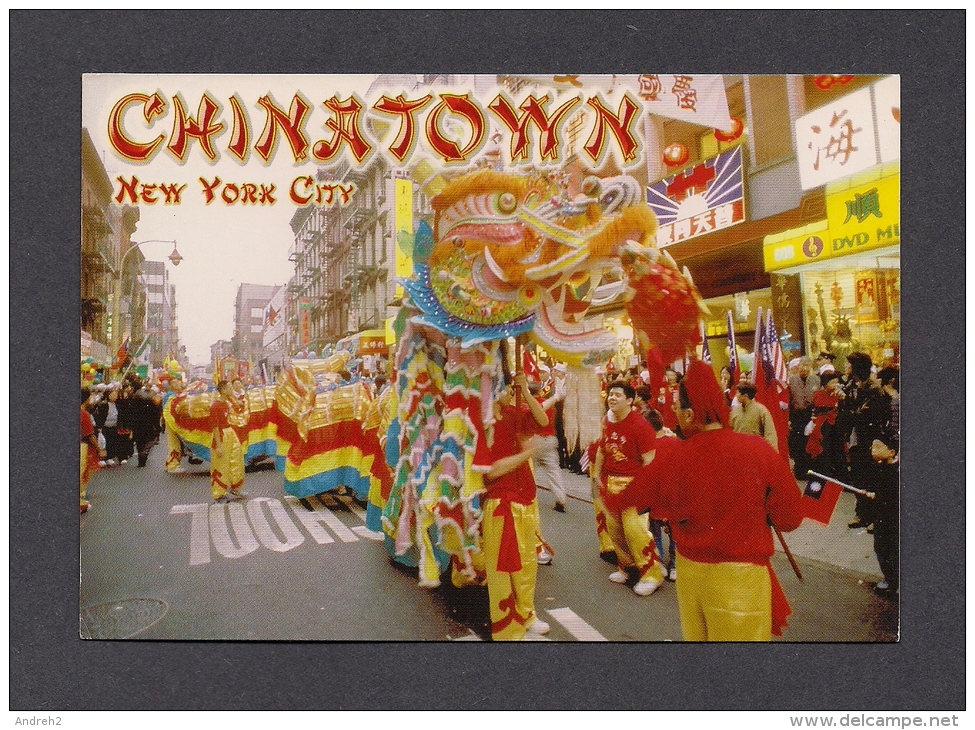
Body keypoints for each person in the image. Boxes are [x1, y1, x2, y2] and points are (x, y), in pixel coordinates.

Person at [617, 361, 804, 641]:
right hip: (741, 577)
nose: (676, 414)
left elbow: (634, 502)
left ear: (690, 414)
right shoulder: (758, 451)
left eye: (678, 408)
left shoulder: (672, 455)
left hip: (691, 572)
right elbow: (790, 519)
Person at [478, 373, 550, 641]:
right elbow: (492, 471)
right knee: (501, 569)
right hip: (500, 502)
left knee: (527, 564)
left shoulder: (512, 414)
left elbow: (542, 421)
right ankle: (507, 626)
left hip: (524, 498)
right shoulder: (481, 425)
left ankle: (527, 613)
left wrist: (526, 392)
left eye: (510, 387)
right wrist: (527, 454)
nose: (510, 392)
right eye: (505, 388)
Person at [592, 381, 665, 596]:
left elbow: (649, 462)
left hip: (634, 486)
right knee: (615, 531)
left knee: (636, 530)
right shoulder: (606, 421)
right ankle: (628, 567)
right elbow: (602, 451)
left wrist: (643, 490)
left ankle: (653, 574)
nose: (611, 398)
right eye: (610, 394)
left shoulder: (640, 426)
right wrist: (596, 475)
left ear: (630, 401)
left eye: (617, 395)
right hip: (611, 484)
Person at [836, 352, 890, 530]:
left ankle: (877, 516)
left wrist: (845, 402)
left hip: (870, 438)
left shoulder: (873, 388)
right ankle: (862, 513)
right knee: (858, 477)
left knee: (873, 478)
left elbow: (864, 414)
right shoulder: (851, 384)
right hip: (855, 438)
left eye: (849, 364)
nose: (846, 368)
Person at [871, 366, 899, 597]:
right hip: (882, 515)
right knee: (882, 547)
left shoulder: (896, 471)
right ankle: (889, 578)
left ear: (891, 451)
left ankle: (894, 581)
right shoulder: (880, 468)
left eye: (877, 447)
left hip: (893, 517)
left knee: (892, 547)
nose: (872, 450)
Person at [644, 409, 681, 582]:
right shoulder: (676, 443)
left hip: (655, 497)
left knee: (655, 533)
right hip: (674, 496)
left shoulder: (647, 448)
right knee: (675, 535)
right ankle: (674, 565)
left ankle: (659, 563)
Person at [528, 378, 569, 514]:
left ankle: (528, 496)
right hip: (550, 439)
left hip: (534, 440)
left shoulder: (531, 405)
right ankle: (561, 498)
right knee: (554, 471)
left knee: (529, 470)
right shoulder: (550, 406)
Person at [209, 380, 247, 503]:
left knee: (237, 459)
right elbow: (215, 427)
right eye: (230, 388)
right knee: (221, 465)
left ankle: (235, 487)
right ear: (223, 390)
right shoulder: (215, 406)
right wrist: (219, 445)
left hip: (230, 433)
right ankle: (219, 494)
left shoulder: (226, 403)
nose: (232, 390)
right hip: (221, 435)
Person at [788, 357, 820, 479]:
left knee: (810, 442)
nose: (805, 368)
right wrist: (789, 419)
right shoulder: (792, 380)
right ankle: (799, 470)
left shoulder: (816, 380)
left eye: (808, 365)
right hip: (797, 415)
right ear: (798, 366)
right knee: (798, 443)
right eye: (803, 365)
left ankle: (810, 470)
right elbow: (789, 400)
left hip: (811, 415)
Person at [731, 382, 778, 451]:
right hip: (738, 450)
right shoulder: (735, 411)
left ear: (745, 395)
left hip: (756, 450)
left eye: (737, 393)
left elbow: (770, 433)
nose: (736, 396)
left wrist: (771, 453)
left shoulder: (761, 410)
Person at [80, 387, 105, 513]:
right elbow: (89, 434)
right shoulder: (84, 414)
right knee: (83, 474)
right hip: (83, 446)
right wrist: (99, 448)